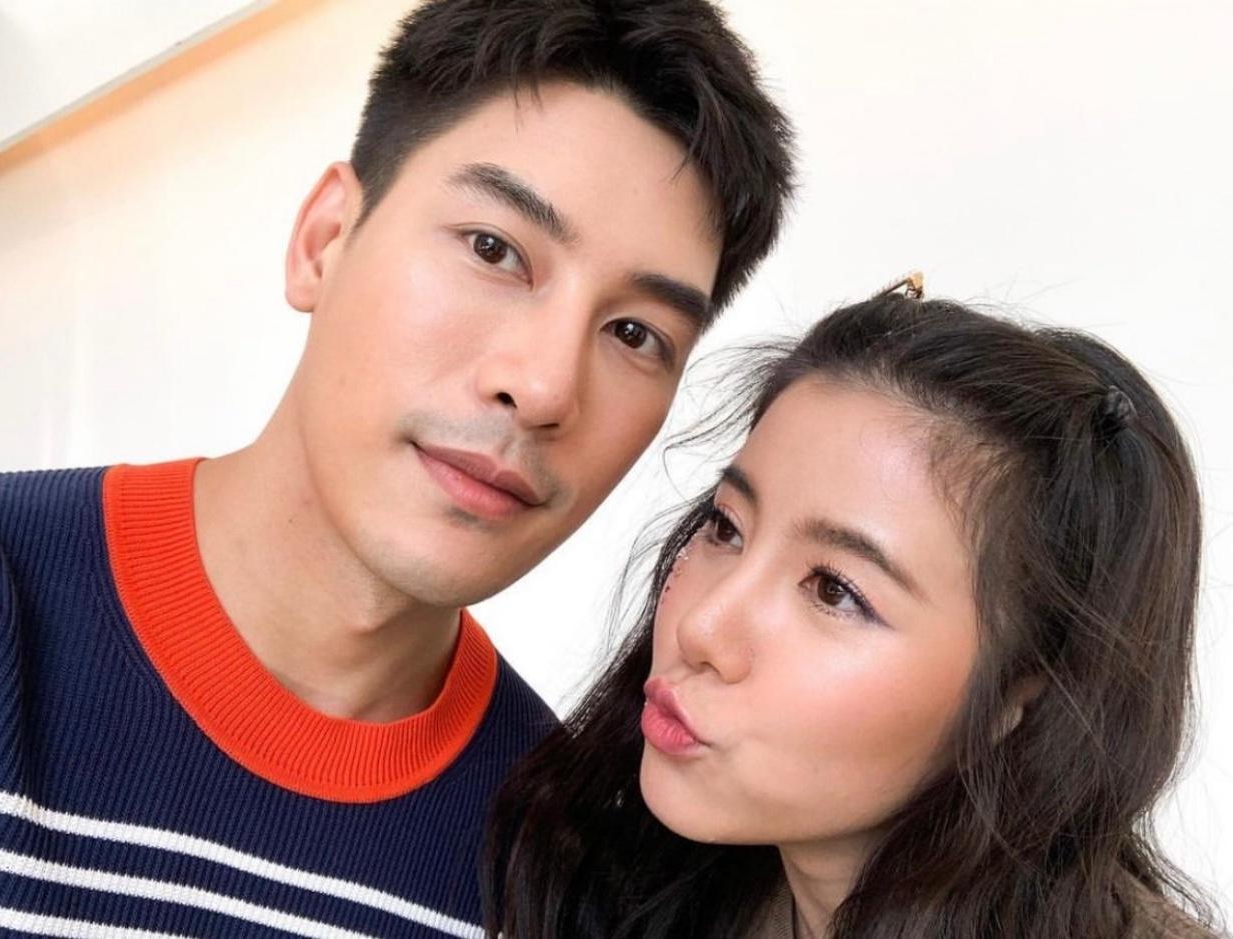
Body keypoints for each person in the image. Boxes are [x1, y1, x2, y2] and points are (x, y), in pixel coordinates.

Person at [0, 1, 793, 935]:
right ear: (324, 240)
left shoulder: (561, 881)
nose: (544, 386)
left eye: (635, 333)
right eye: (494, 250)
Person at [485, 285, 1222, 938]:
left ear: (1018, 698)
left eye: (835, 590)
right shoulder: (616, 883)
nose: (700, 628)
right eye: (725, 527)